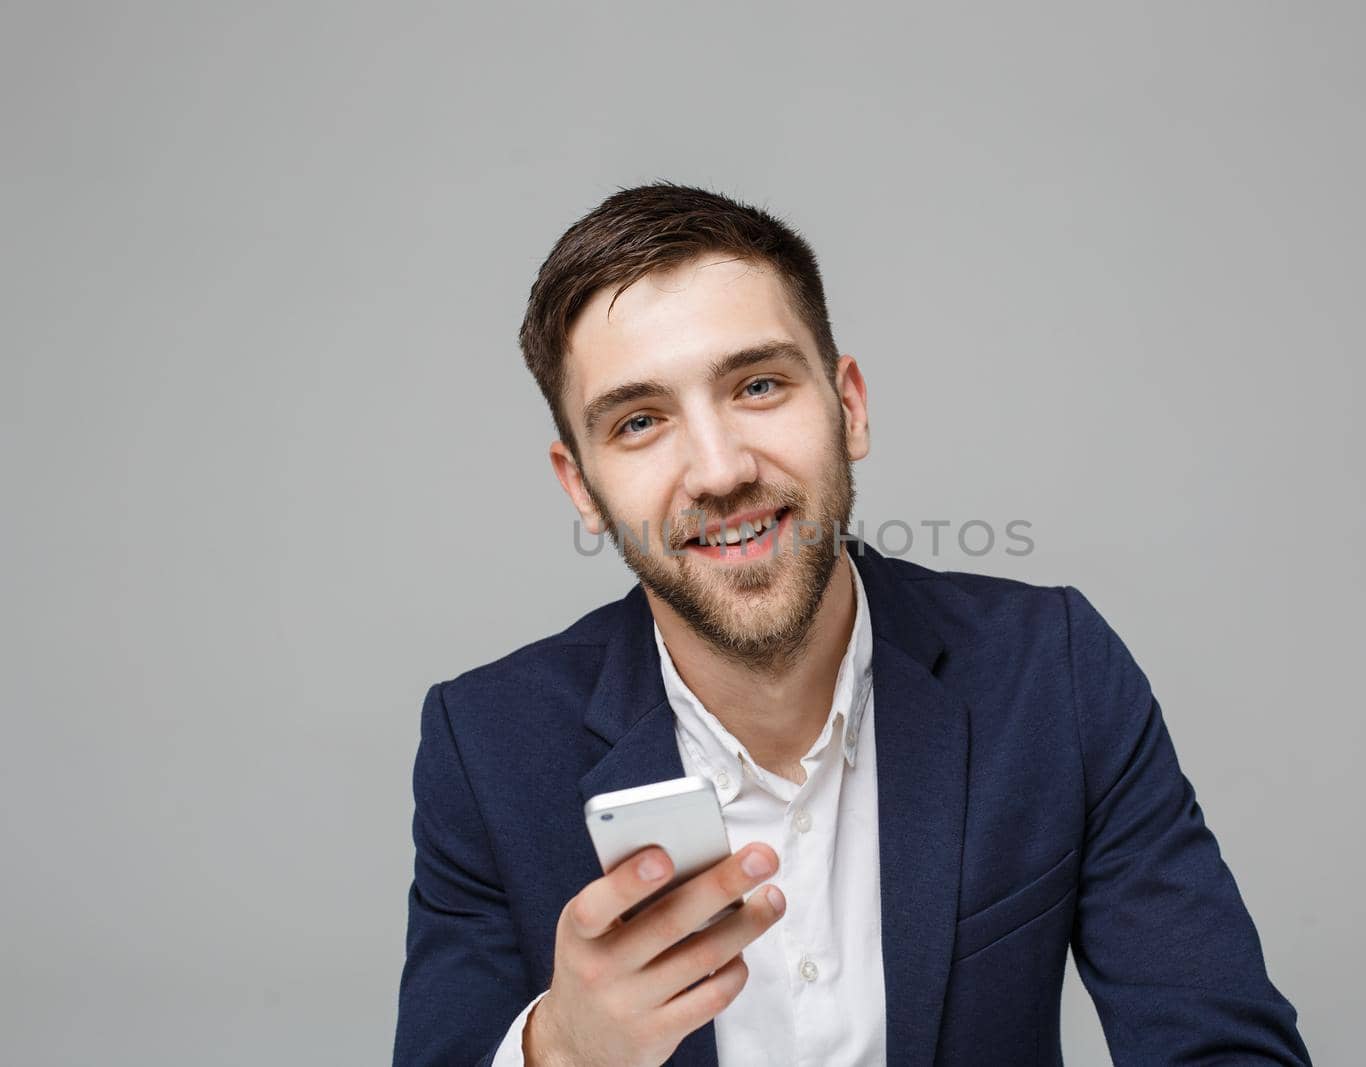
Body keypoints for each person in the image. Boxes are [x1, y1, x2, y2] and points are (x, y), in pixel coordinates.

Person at [393, 182, 1311, 1067]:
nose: (717, 471)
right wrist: (562, 1054)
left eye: (756, 385)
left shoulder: (1054, 674)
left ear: (850, 406)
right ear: (580, 485)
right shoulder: (484, 749)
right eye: (639, 421)